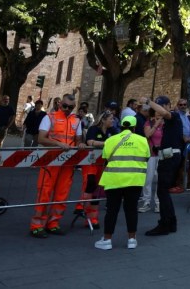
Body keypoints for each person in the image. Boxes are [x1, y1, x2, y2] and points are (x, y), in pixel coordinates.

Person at [29, 93, 82, 238]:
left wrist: (81, 147)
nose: (67, 109)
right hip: (50, 161)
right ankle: (37, 225)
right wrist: (58, 144)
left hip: (67, 163)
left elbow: (78, 140)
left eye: (70, 107)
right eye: (64, 106)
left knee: (62, 194)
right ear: (59, 104)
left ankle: (53, 223)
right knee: (44, 192)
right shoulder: (49, 117)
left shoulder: (76, 121)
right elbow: (41, 138)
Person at [94, 114, 150, 250]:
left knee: (112, 210)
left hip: (114, 180)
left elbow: (106, 157)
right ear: (134, 127)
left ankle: (107, 240)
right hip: (134, 180)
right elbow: (147, 157)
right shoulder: (142, 140)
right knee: (131, 210)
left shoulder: (111, 140)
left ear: (121, 126)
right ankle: (132, 239)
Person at [145, 96, 183, 236]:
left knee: (162, 191)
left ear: (168, 105)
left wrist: (149, 102)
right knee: (163, 192)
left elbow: (166, 113)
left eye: (160, 106)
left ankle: (165, 224)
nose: (158, 109)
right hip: (167, 156)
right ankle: (171, 222)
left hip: (170, 158)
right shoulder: (167, 122)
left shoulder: (173, 115)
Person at [77, 111, 117, 227]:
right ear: (103, 120)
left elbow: (117, 142)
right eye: (110, 119)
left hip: (102, 164)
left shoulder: (113, 131)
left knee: (98, 189)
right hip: (91, 161)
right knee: (90, 183)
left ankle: (92, 217)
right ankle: (82, 207)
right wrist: (106, 143)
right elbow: (90, 142)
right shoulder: (93, 129)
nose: (113, 121)